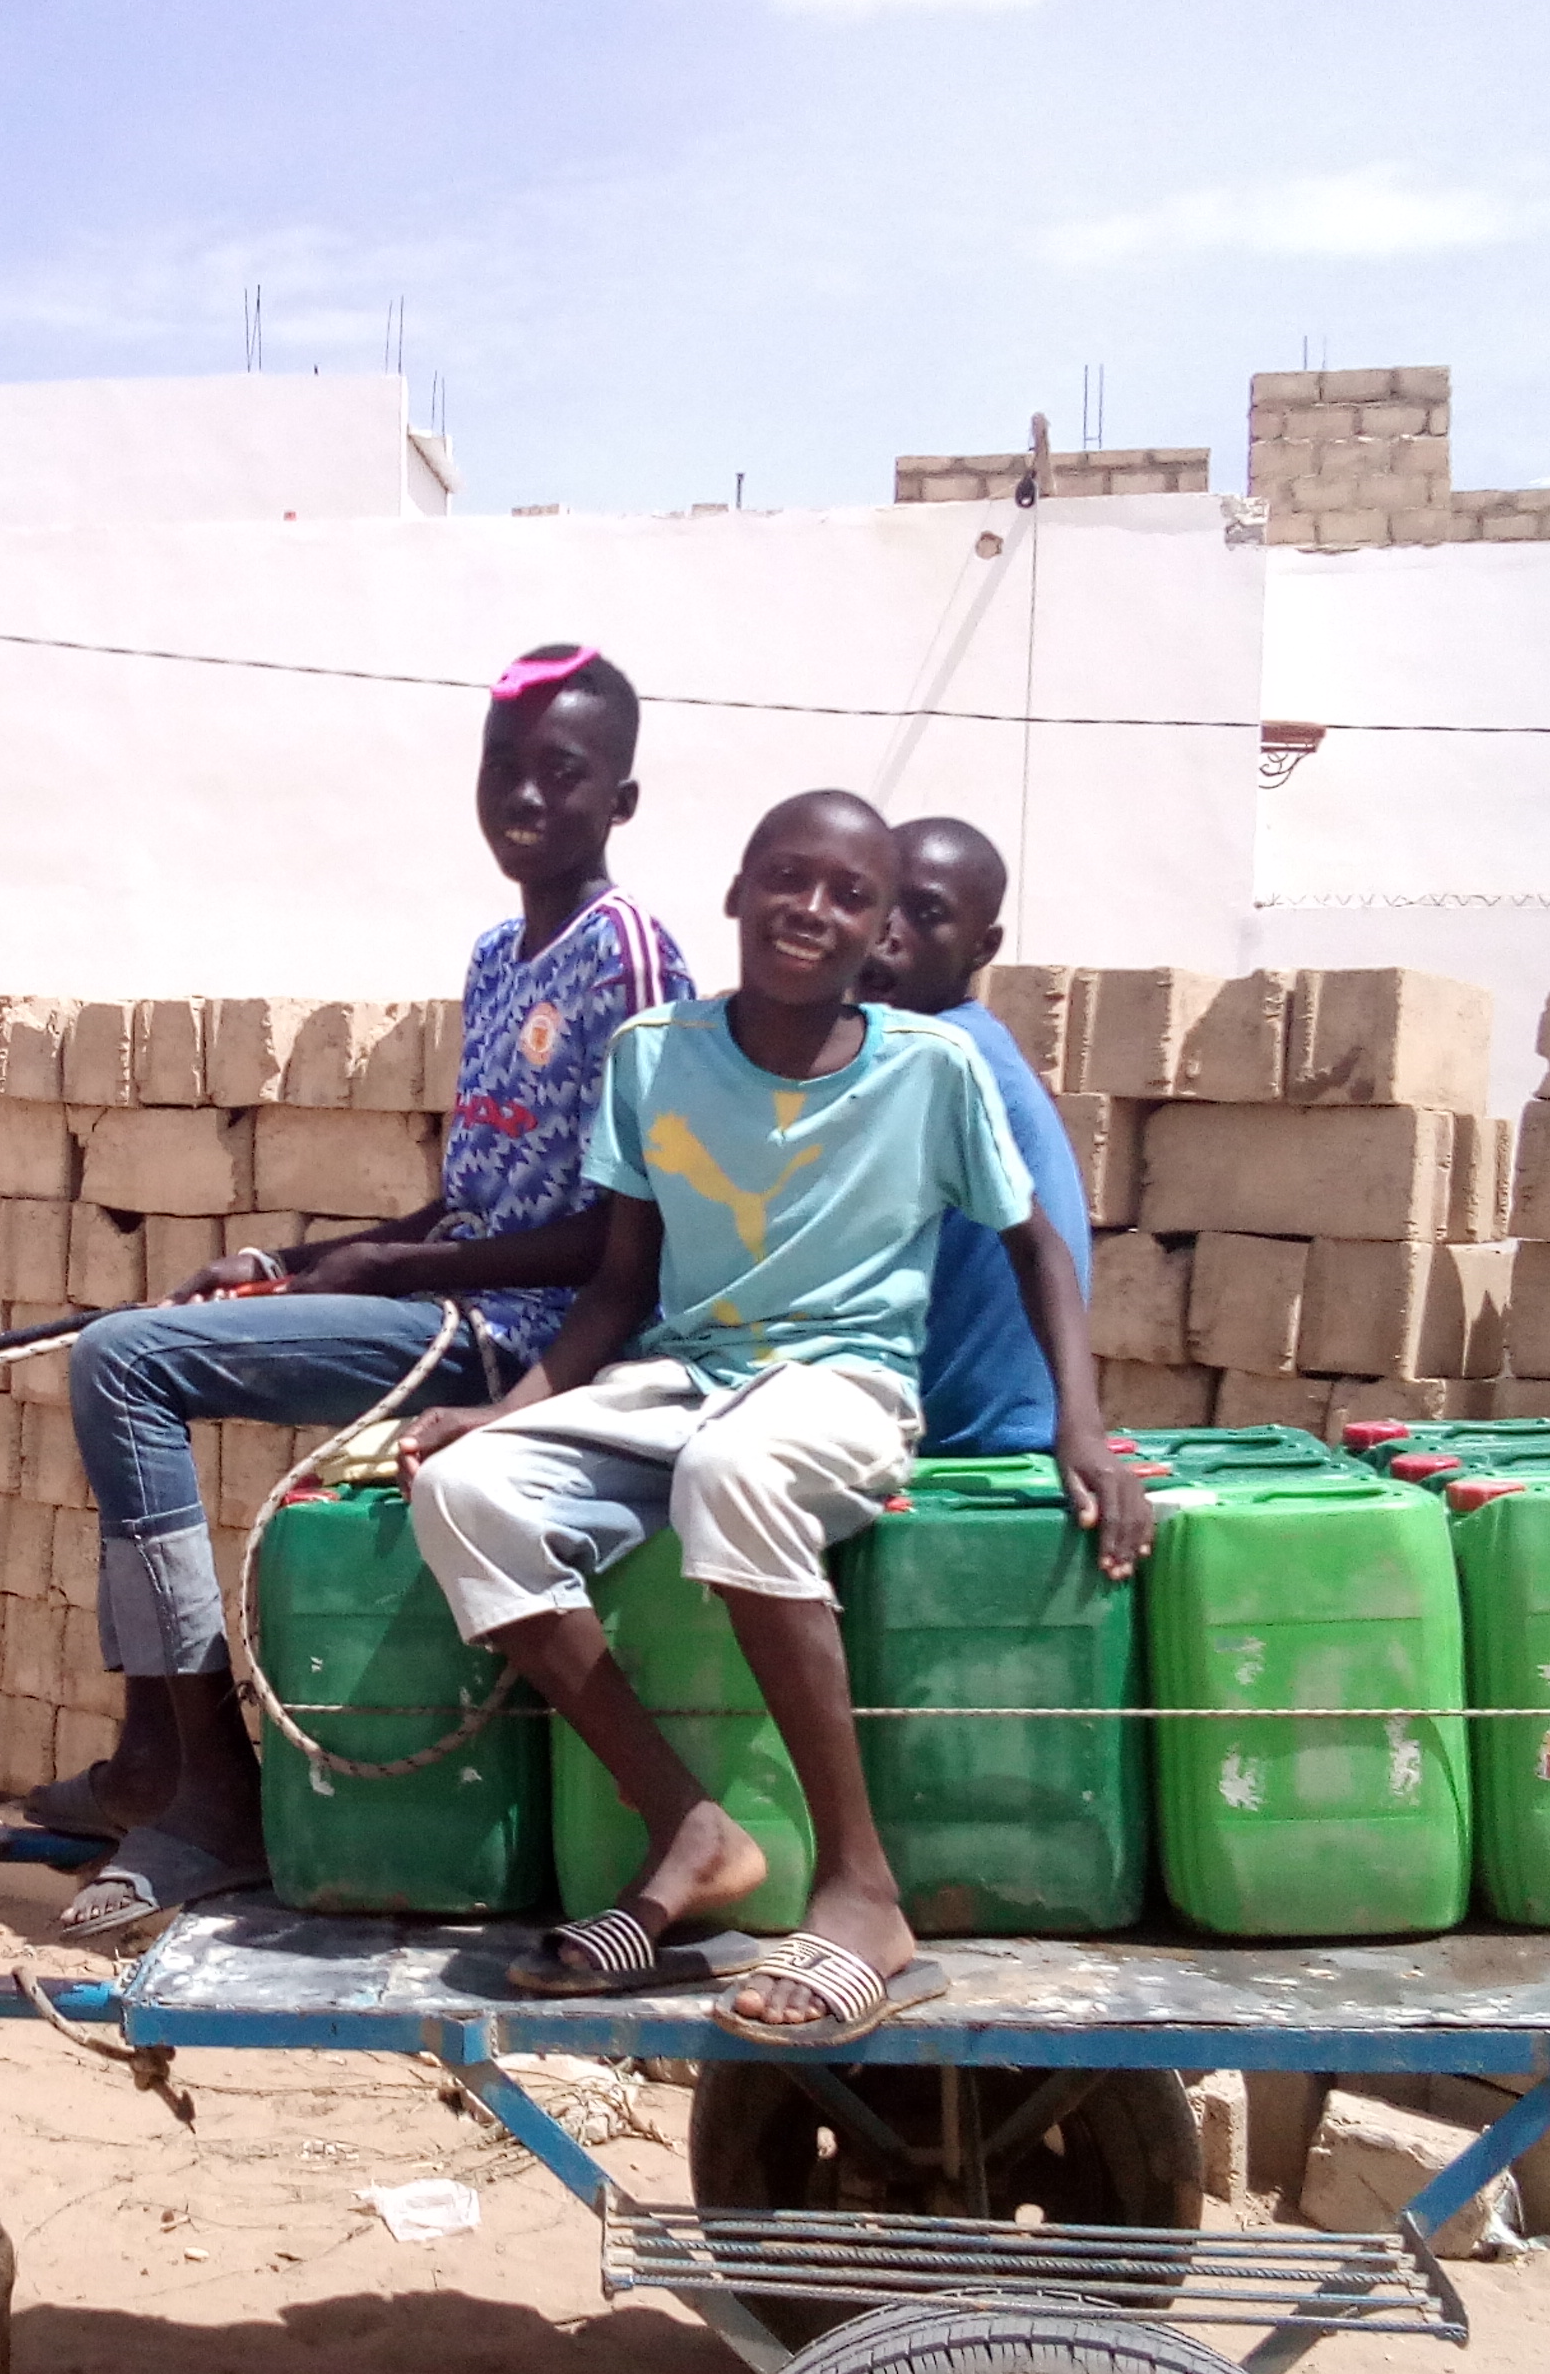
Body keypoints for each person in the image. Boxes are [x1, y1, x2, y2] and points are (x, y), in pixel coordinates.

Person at [397, 790, 1152, 2042]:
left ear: (875, 934)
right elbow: (622, 1285)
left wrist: (1083, 1424)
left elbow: (1035, 1247)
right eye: (786, 879)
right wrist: (509, 1410)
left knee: (733, 1473)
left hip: (843, 1387)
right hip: (686, 1377)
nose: (812, 908)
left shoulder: (933, 1068)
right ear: (738, 893)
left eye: (849, 896)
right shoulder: (653, 1055)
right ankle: (688, 1828)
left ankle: (862, 1895)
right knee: (464, 1495)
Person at [44, 644, 693, 1940]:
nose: (524, 799)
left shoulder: (628, 954)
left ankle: (211, 1789)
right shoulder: (499, 954)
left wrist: (392, 1270)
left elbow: (620, 1241)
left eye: (560, 775)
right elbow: (474, 1197)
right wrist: (292, 1261)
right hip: (456, 1300)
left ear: (620, 801)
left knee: (123, 1364)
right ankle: (152, 1763)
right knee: (145, 1346)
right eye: (502, 769)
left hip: (530, 1347)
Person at [853, 814, 1093, 1457]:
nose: (887, 932)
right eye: (876, 899)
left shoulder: (928, 1058)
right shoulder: (967, 1041)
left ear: (983, 948)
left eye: (924, 913)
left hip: (964, 1438)